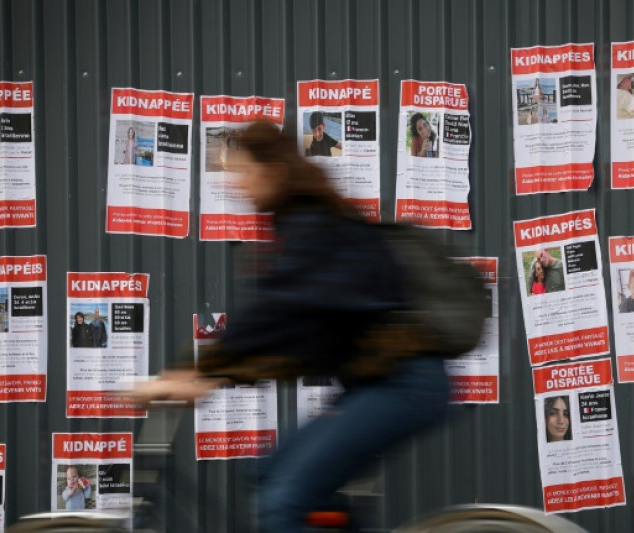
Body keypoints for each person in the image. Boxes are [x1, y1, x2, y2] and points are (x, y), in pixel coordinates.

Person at [129, 121, 449, 533]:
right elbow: (301, 333)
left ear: (274, 171)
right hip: (375, 386)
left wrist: (200, 372)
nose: (235, 184)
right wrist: (219, 373)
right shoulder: (303, 224)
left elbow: (275, 309)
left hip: (404, 386)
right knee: (268, 475)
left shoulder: (314, 225)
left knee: (283, 503)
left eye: (243, 172)